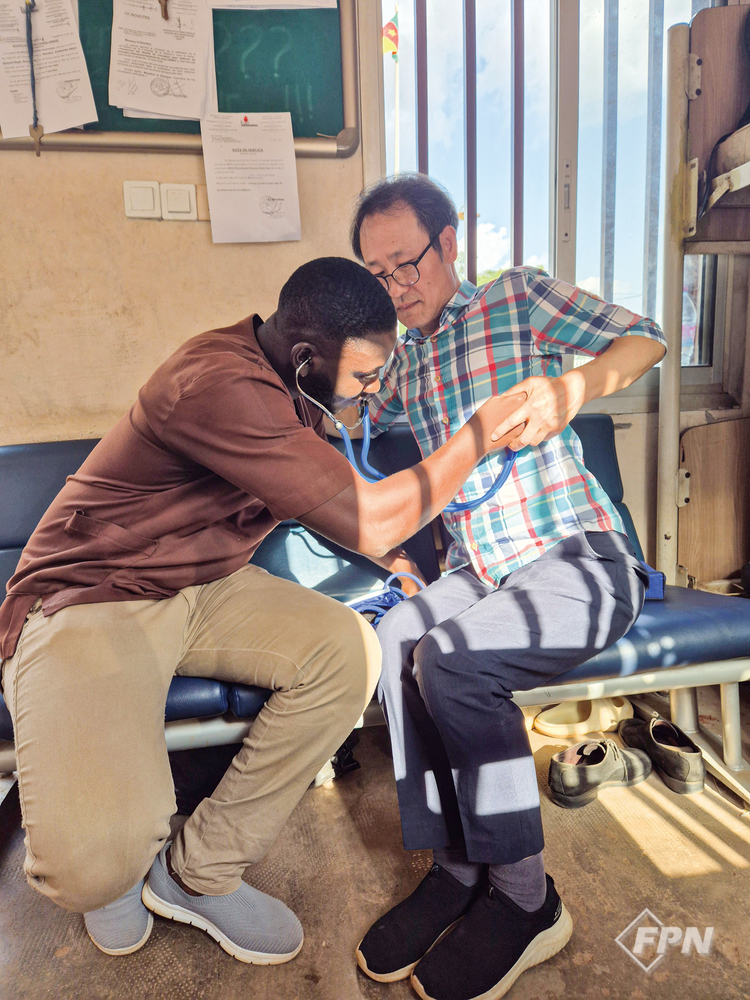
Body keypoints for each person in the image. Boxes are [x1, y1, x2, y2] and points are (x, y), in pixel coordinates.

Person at [0, 257, 520, 966]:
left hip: (203, 584)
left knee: (348, 652)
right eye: (365, 377)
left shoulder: (294, 387)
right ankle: (113, 870)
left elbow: (329, 502)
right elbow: (369, 520)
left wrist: (400, 563)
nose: (373, 393)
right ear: (307, 359)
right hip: (95, 593)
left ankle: (198, 872)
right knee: (92, 867)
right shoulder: (218, 385)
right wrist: (480, 433)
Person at [349, 175, 667, 1000]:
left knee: (451, 661)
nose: (396, 287)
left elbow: (647, 339)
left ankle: (528, 901)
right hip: (483, 573)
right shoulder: (405, 365)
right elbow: (354, 423)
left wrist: (572, 390)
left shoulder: (516, 299)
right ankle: (458, 869)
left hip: (578, 555)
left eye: (407, 263)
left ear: (450, 243)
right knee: (398, 636)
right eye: (377, 276)